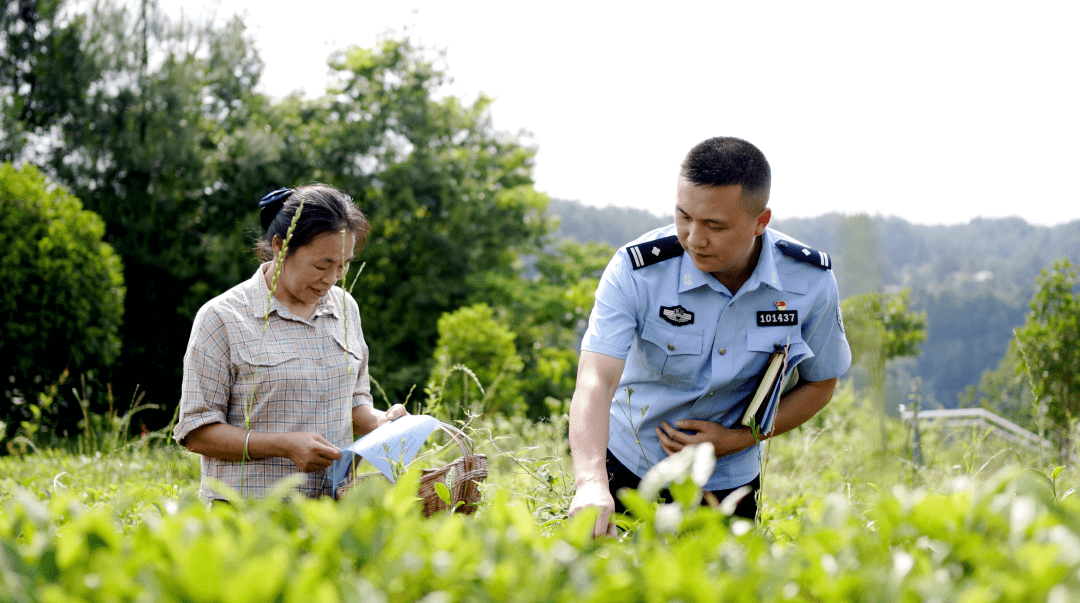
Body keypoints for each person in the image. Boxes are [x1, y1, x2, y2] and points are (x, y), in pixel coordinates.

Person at [567, 137, 851, 536]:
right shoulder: (637, 269)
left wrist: (737, 439)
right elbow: (596, 380)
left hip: (729, 482)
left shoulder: (808, 282)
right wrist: (591, 482)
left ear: (760, 222)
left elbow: (821, 383)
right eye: (684, 216)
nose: (693, 238)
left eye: (714, 226)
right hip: (629, 469)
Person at [173, 183, 407, 501]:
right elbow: (196, 432)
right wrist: (284, 445)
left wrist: (380, 421)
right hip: (249, 517)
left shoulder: (345, 308)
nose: (334, 277)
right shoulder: (223, 318)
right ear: (280, 246)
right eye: (323, 265)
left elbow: (353, 400)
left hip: (330, 512)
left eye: (345, 264)